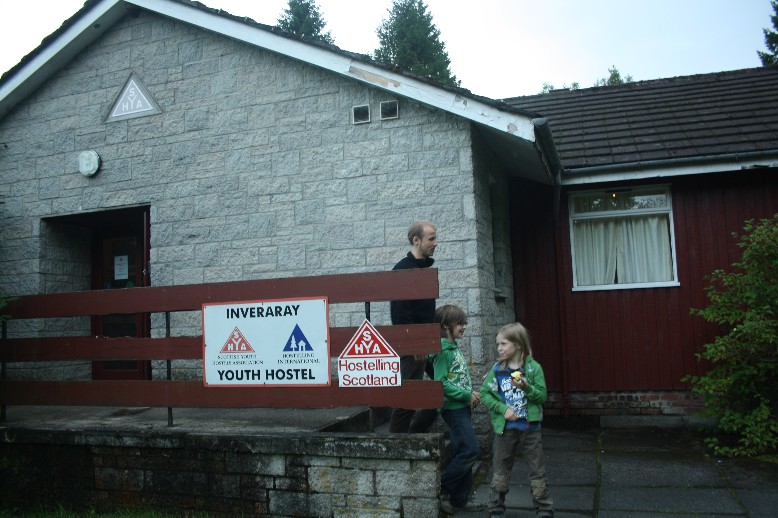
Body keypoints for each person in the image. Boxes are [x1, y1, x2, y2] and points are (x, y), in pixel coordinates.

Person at [480, 322, 554, 518]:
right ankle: (496, 507)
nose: (499, 348)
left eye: (503, 344)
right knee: (500, 470)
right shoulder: (497, 369)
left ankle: (544, 508)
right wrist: (503, 409)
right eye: (498, 344)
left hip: (531, 429)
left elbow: (542, 397)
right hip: (505, 429)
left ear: (518, 344)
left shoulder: (533, 368)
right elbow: (485, 394)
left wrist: (526, 388)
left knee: (537, 471)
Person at [432, 304, 485, 514]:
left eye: (464, 323)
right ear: (446, 325)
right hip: (452, 409)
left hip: (462, 407)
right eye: (460, 323)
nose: (464, 327)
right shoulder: (443, 351)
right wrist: (466, 395)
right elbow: (441, 383)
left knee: (461, 450)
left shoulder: (453, 348)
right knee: (471, 450)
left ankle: (460, 498)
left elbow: (457, 378)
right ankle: (443, 489)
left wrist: (471, 393)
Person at [388, 220, 439, 433]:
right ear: (416, 240)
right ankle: (394, 444)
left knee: (444, 388)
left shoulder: (424, 270)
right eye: (431, 238)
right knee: (407, 400)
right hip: (413, 347)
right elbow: (400, 316)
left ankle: (414, 434)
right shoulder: (402, 270)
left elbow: (424, 311)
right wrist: (415, 346)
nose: (436, 243)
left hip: (429, 342)